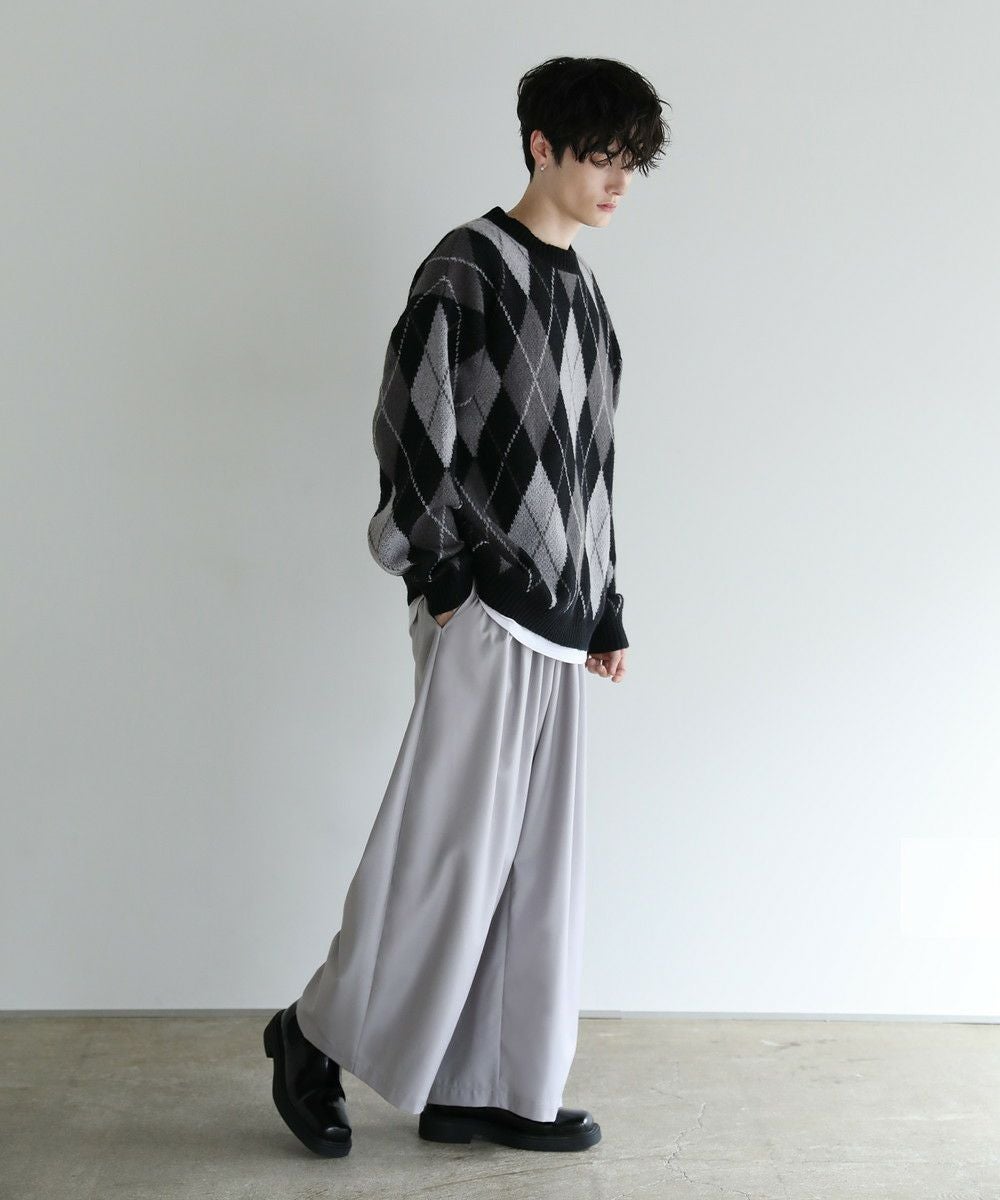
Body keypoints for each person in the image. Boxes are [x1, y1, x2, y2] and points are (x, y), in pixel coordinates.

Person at [264, 55, 669, 1156]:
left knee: (535, 870)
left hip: (560, 620)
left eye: (631, 162)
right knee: (444, 853)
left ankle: (482, 1086)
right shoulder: (468, 265)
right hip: (482, 602)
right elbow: (412, 418)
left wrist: (606, 604)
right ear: (541, 143)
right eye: (603, 154)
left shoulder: (587, 298)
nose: (618, 180)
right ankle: (310, 1033)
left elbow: (589, 468)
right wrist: (438, 574)